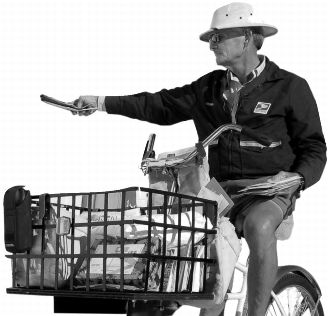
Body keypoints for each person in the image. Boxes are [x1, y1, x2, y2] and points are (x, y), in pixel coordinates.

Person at [71, 2, 326, 315]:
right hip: (217, 192)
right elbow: (158, 105)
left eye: (218, 37)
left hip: (269, 190)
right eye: (211, 38)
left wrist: (297, 178)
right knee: (175, 245)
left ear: (246, 37)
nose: (211, 44)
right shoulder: (209, 88)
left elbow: (314, 147)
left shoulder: (289, 87)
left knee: (259, 227)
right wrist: (100, 103)